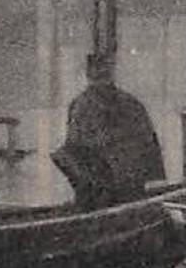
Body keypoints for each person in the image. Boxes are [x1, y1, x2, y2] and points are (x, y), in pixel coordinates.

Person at [52, 52, 166, 211]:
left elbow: (74, 146)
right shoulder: (130, 103)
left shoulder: (81, 105)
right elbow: (150, 146)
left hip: (104, 188)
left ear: (88, 74)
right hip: (125, 185)